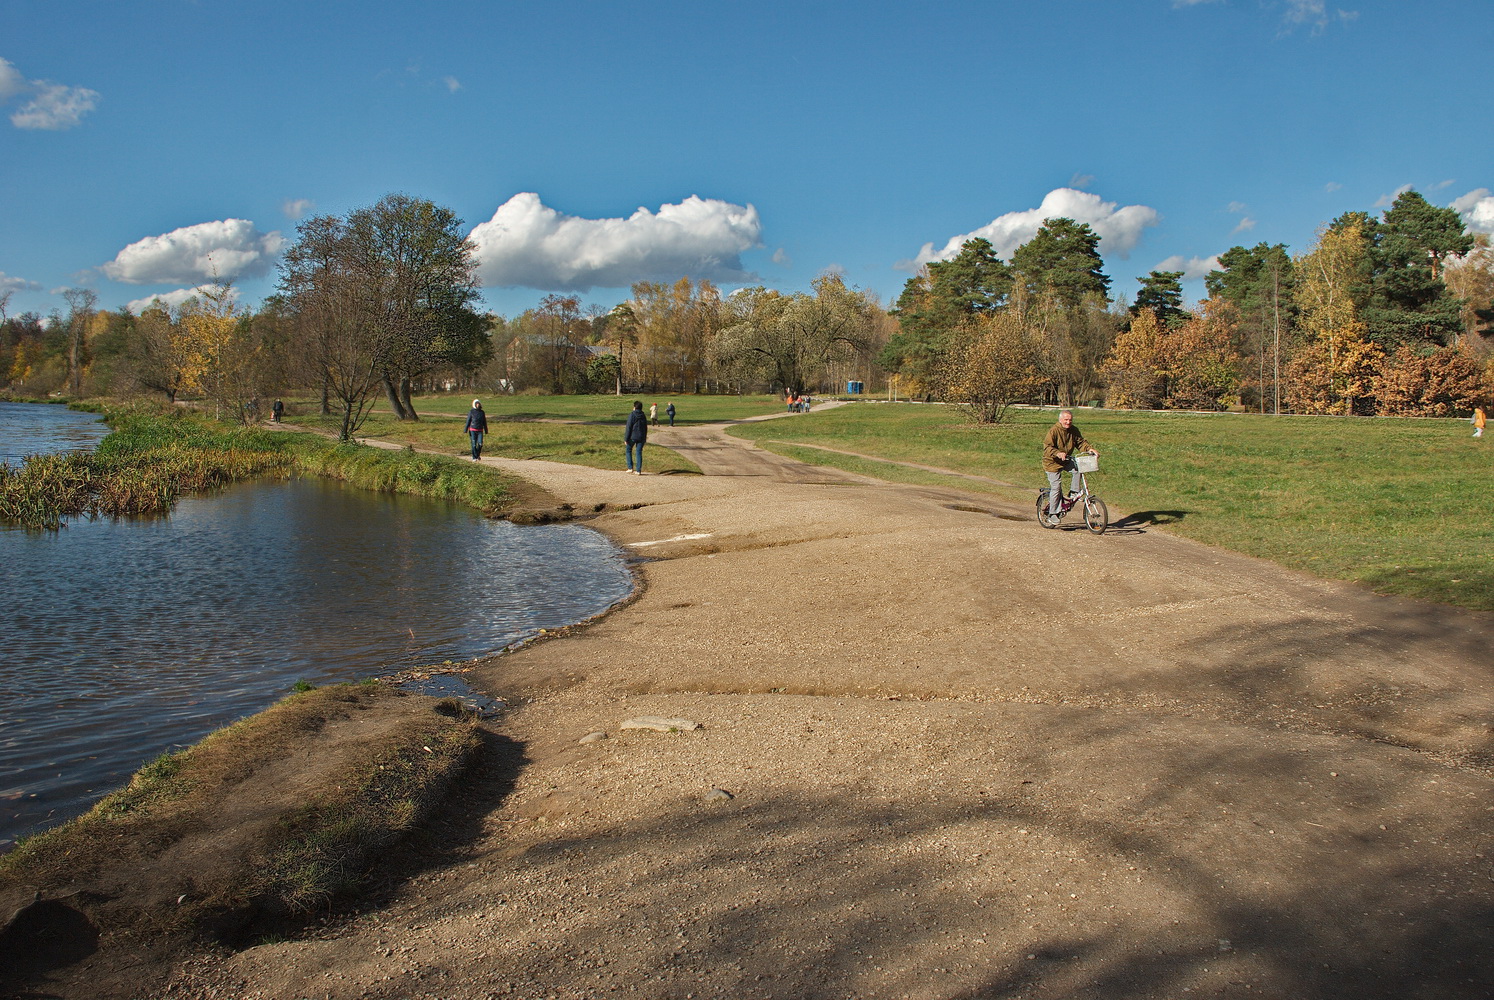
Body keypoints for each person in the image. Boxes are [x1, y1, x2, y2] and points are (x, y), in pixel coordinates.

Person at [1041, 409, 1097, 522]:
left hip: (1066, 459)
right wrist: (1058, 453)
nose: (1068, 422)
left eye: (1070, 420)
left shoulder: (1073, 430)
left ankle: (1074, 491)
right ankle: (1053, 514)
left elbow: (1080, 442)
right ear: (1060, 420)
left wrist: (1090, 449)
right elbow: (1047, 447)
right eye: (1066, 420)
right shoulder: (1054, 431)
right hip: (1052, 462)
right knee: (1056, 487)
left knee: (1078, 468)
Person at [625, 400, 648, 474]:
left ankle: (630, 467)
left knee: (628, 450)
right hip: (641, 436)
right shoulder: (643, 415)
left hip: (632, 436)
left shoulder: (632, 415)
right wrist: (644, 437)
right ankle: (638, 470)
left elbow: (629, 427)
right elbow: (645, 427)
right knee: (638, 452)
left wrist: (626, 438)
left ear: (634, 407)